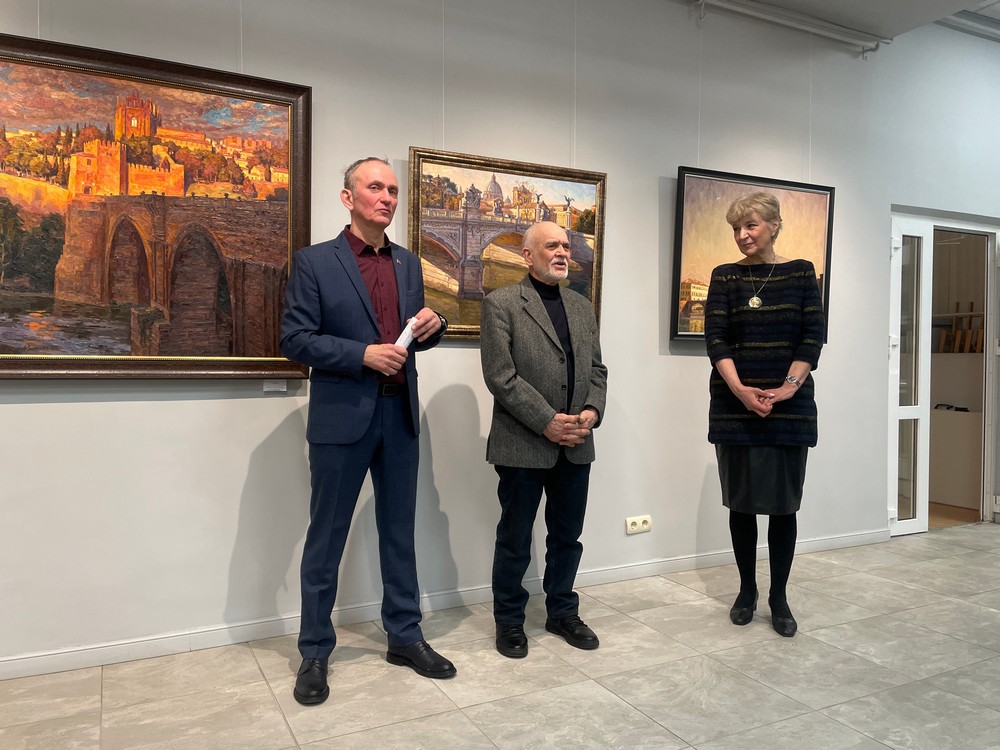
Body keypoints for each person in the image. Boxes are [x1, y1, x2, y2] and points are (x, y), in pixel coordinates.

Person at [280, 156, 455, 706]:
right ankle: (315, 650)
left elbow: (412, 335)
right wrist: (361, 355)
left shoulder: (408, 263)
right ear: (348, 197)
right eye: (375, 187)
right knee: (326, 538)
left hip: (399, 415)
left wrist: (435, 326)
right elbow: (295, 339)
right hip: (342, 418)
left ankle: (404, 635)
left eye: (393, 190)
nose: (387, 198)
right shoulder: (314, 262)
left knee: (399, 532)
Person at [480, 220, 608, 659]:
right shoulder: (501, 303)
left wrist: (591, 411)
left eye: (565, 246)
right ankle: (509, 621)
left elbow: (597, 370)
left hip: (577, 443)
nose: (562, 253)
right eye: (551, 245)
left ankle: (562, 612)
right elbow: (500, 376)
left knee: (567, 537)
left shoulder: (581, 307)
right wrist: (547, 421)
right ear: (527, 255)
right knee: (514, 539)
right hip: (523, 442)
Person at [704, 191, 824, 638]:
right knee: (741, 505)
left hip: (789, 411)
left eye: (750, 225)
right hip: (734, 409)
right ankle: (747, 590)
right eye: (736, 228)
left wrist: (787, 388)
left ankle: (779, 597)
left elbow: (812, 336)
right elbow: (716, 339)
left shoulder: (801, 272)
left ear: (774, 225)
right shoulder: (725, 276)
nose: (742, 235)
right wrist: (741, 391)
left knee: (782, 507)